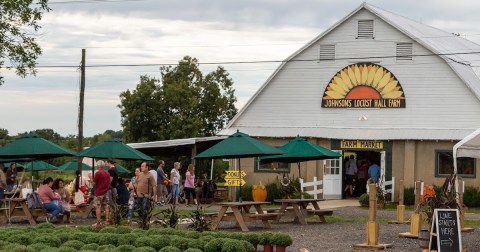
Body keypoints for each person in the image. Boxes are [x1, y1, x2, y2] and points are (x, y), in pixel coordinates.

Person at [89, 160, 111, 226]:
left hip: (99, 192)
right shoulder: (107, 173)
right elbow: (109, 183)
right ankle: (107, 221)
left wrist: (90, 177)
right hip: (106, 192)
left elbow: (93, 184)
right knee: (106, 206)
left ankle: (99, 222)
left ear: (98, 166)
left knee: (97, 207)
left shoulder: (98, 173)